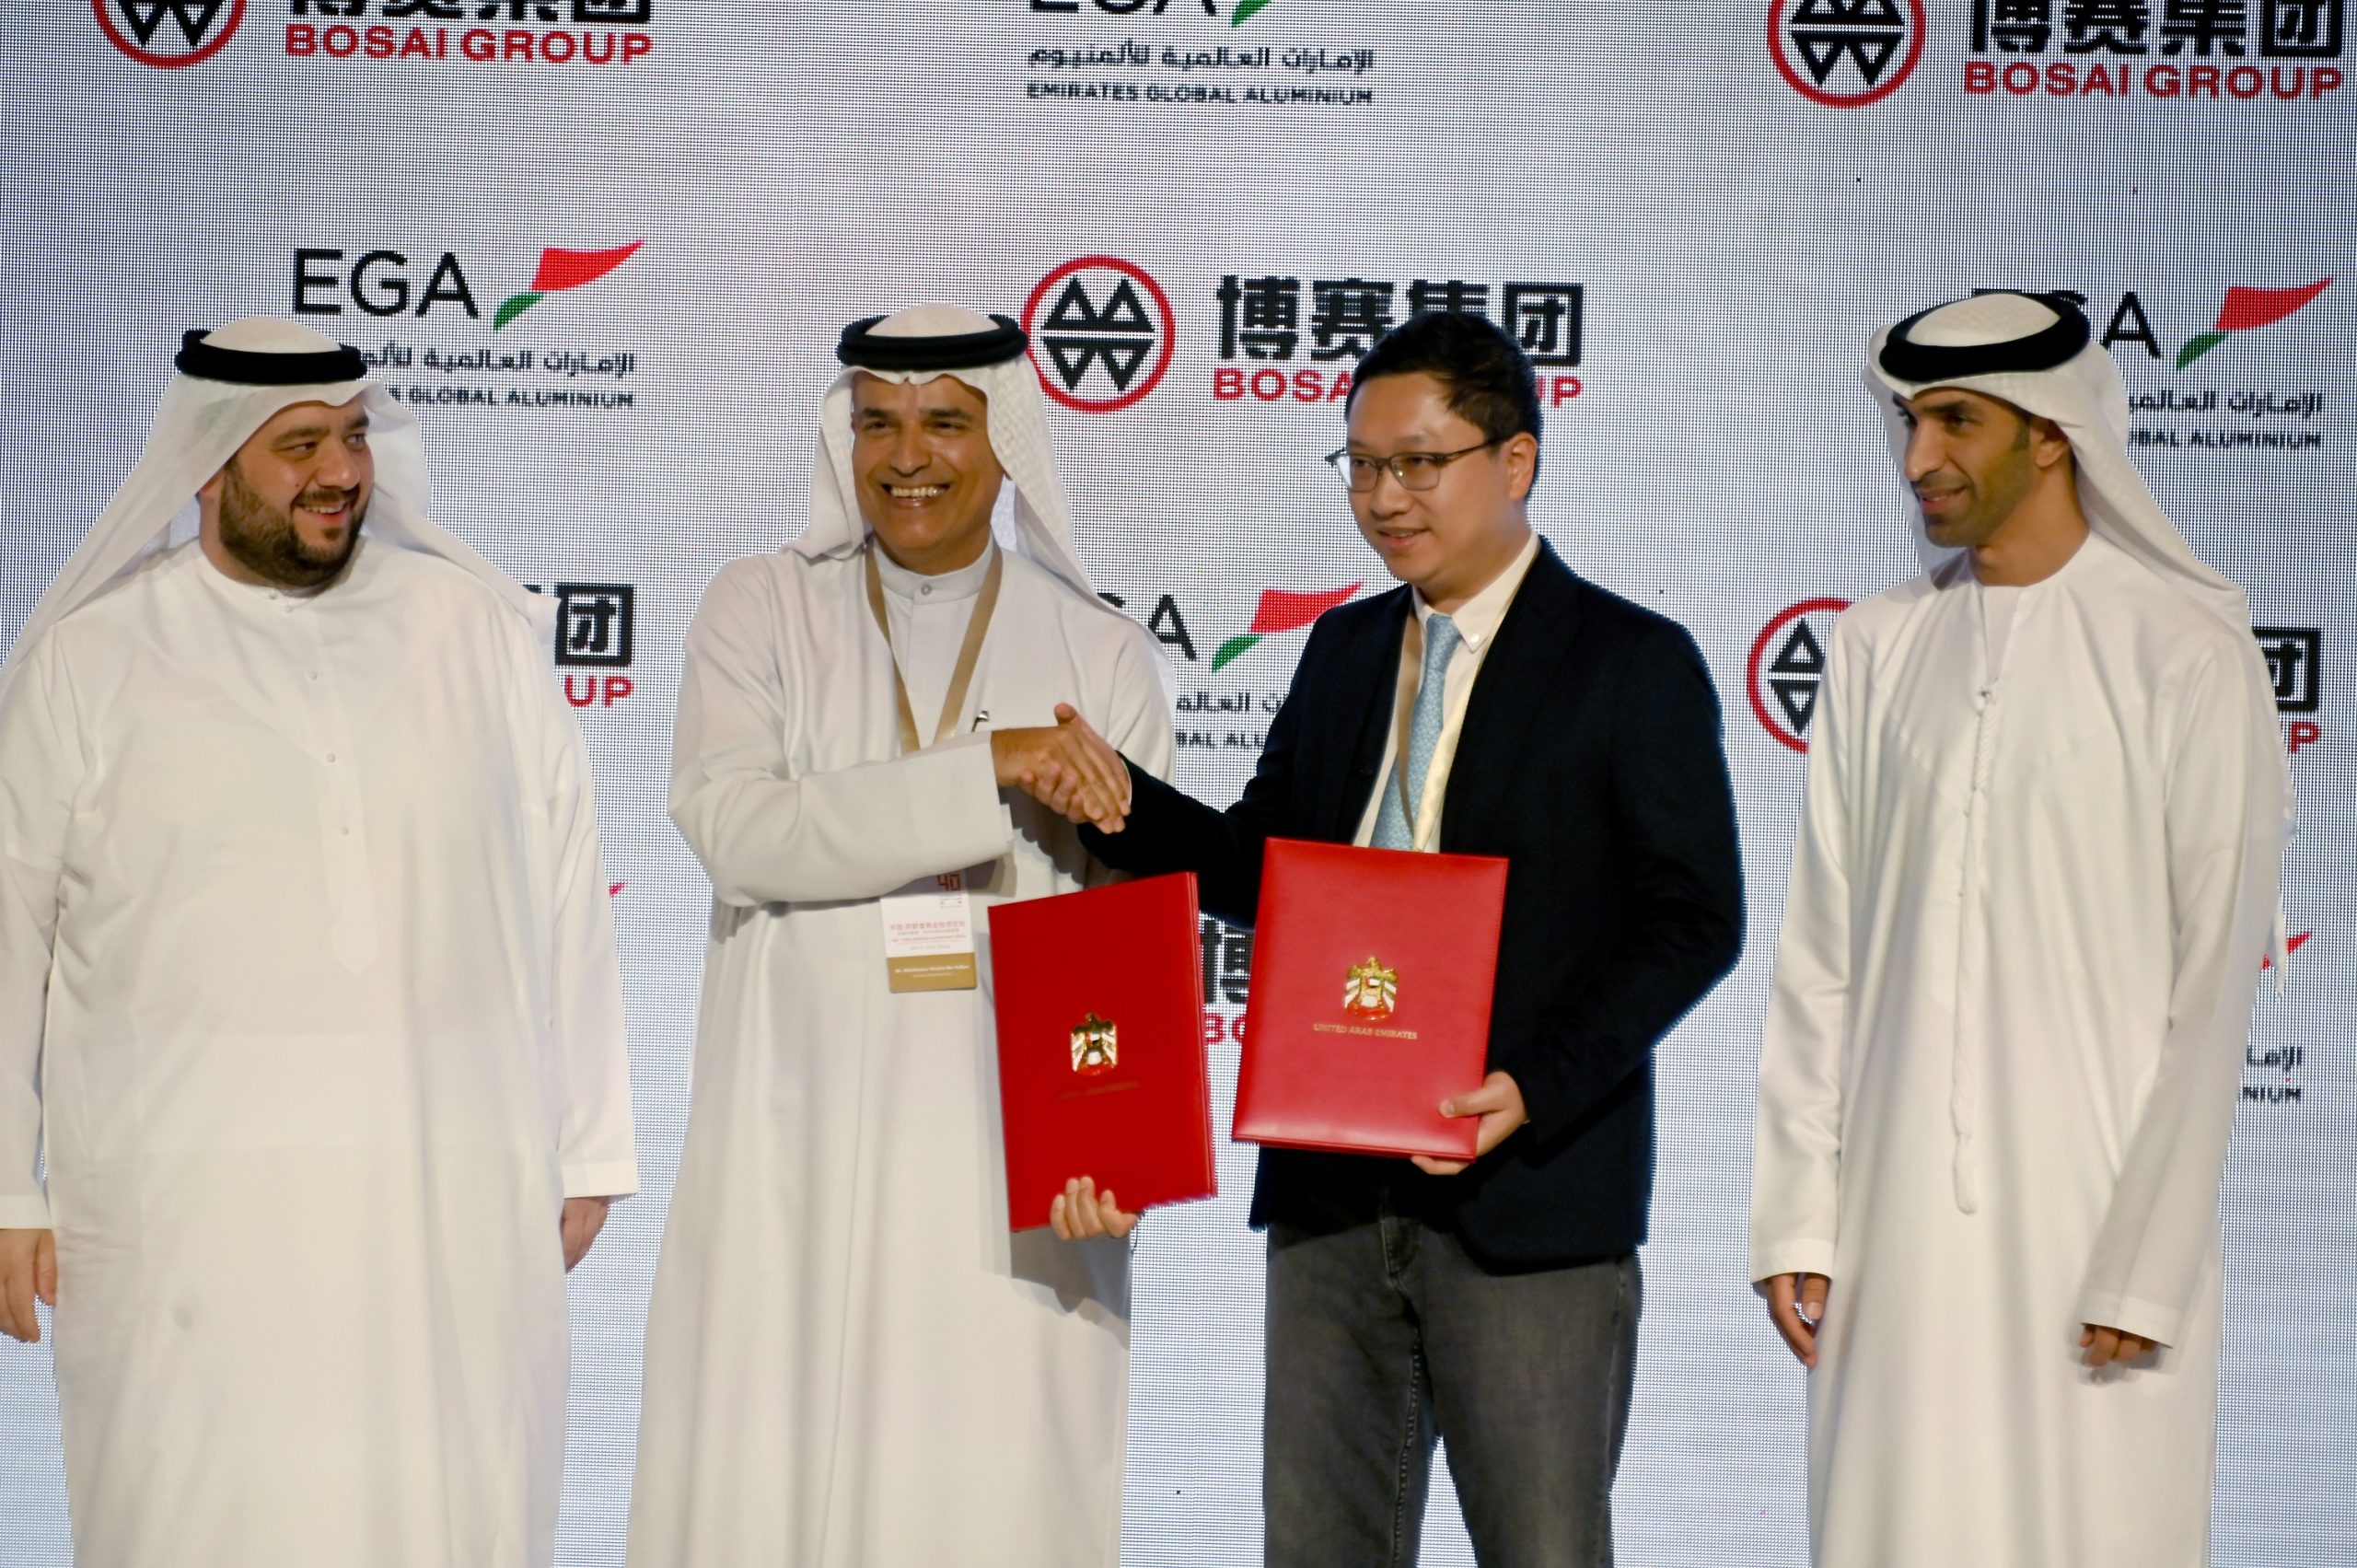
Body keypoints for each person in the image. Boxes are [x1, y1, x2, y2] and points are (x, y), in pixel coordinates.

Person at [1062, 310, 1743, 1565]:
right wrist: (1123, 804)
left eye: (1420, 463)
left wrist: (1532, 1086)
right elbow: (1268, 872)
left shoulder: (1630, 661)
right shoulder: (1344, 647)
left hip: (1527, 1198)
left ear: (1517, 460)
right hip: (1328, 1192)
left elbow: (1695, 920)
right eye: (1363, 465)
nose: (1383, 498)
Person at [0, 319, 638, 1568]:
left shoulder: (476, 630)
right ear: (207, 462)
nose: (341, 471)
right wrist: (7, 1188)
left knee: (445, 1499)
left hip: (445, 1195)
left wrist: (590, 1142)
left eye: (352, 437)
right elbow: (7, 935)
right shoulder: (87, 660)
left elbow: (568, 888)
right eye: (298, 446)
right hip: (182, 1218)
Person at [627, 305, 1175, 1568]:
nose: (906, 456)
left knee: (985, 1498)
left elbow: (1124, 930)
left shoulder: (1097, 650)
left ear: (1006, 443)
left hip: (1008, 1170)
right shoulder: (762, 607)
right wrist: (992, 767)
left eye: (944, 423)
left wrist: (1117, 1145)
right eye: (877, 423)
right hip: (792, 1144)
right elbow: (739, 830)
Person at [1749, 291, 2289, 1567]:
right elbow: (1821, 957)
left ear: (2053, 434)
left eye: (1956, 422)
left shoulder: (2186, 652)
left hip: (2096, 1228)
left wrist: (2148, 1262)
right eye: (1908, 422)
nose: (1919, 459)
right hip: (1893, 1236)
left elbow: (2215, 985)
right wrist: (1800, 1217)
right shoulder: (1877, 644)